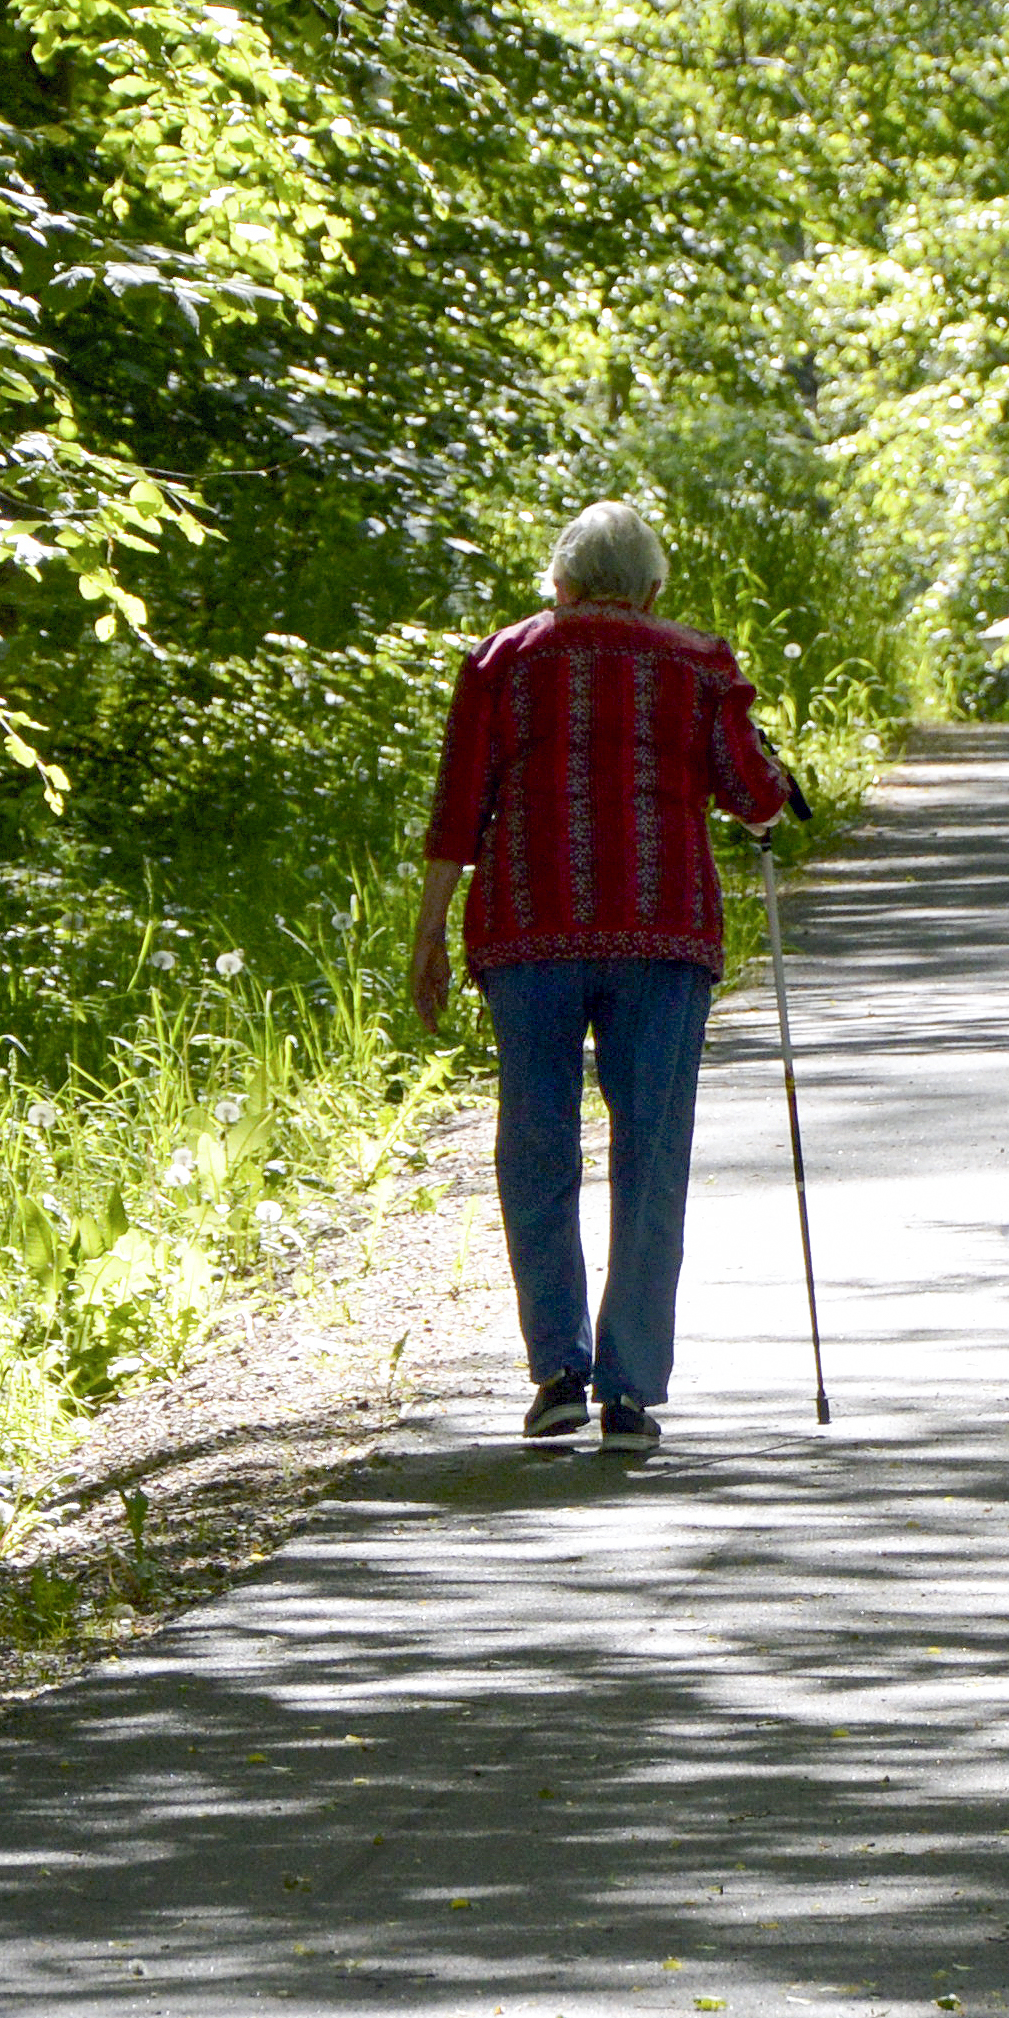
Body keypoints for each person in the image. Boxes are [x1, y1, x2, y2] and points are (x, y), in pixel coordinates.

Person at [410, 500, 802, 1452]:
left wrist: (425, 936)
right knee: (651, 1150)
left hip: (527, 927)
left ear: (562, 583)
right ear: (655, 587)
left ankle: (557, 1373)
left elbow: (461, 805)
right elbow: (754, 796)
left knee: (536, 1145)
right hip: (661, 932)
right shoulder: (699, 661)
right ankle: (629, 1393)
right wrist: (770, 788)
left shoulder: (503, 659)